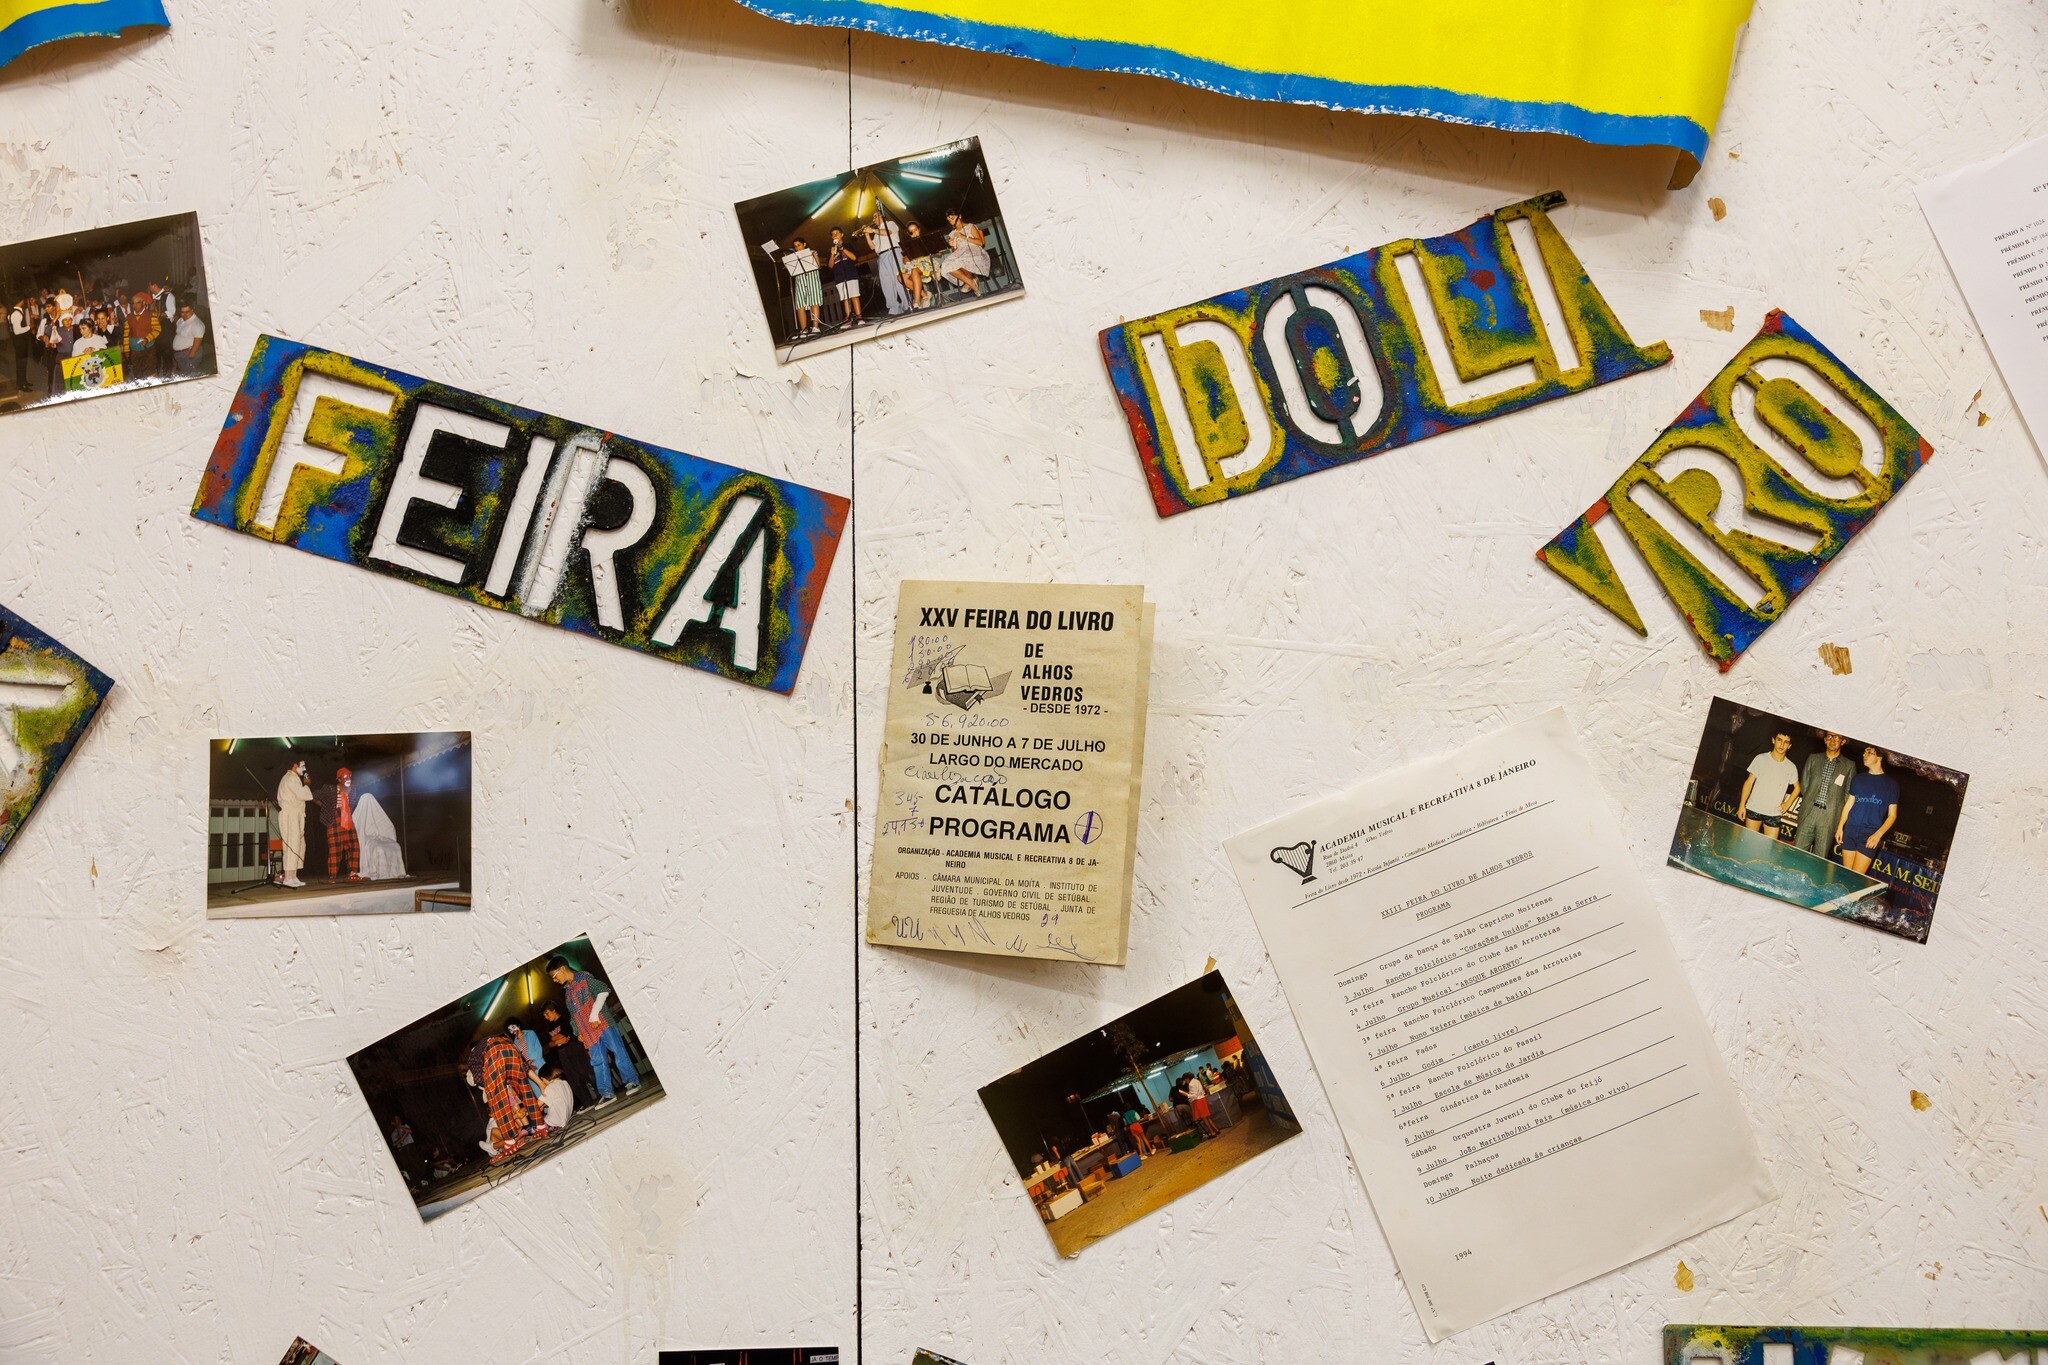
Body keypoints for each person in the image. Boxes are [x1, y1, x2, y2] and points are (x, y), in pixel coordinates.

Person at [547, 955, 641, 1106]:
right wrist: (578, 1032)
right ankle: (607, 1094)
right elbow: (574, 1015)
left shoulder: (584, 978)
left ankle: (632, 1081)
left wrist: (594, 1015)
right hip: (588, 1033)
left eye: (554, 976)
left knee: (618, 1051)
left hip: (603, 1024)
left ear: (562, 969)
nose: (554, 980)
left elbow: (603, 990)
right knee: (597, 1062)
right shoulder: (567, 993)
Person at [465, 1026, 550, 1161]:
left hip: (493, 1055)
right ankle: (540, 1127)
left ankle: (510, 1143)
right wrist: (540, 1083)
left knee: (499, 1101)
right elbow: (524, 1067)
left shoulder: (473, 1058)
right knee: (524, 1086)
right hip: (509, 1044)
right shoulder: (492, 1042)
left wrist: (499, 1085)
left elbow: (479, 1080)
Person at [1793, 731, 1858, 859]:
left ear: (1843, 741)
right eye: (1829, 736)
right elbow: (1805, 785)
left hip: (1829, 818)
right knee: (1797, 853)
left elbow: (1847, 795)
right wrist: (1810, 801)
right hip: (1809, 813)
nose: (1832, 740)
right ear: (1825, 740)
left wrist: (1836, 814)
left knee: (1820, 858)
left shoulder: (1849, 765)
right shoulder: (1813, 758)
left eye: (1837, 737)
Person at [1836, 746, 1900, 876]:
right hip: (1850, 830)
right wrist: (1840, 827)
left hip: (1870, 834)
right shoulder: (1858, 779)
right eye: (1864, 752)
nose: (1864, 755)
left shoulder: (1891, 785)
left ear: (1880, 757)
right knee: (1846, 875)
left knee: (1856, 877)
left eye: (1869, 752)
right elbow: (1849, 804)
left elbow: (1892, 815)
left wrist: (1878, 835)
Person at [1739, 729, 1800, 839]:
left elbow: (1797, 788)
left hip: (1774, 813)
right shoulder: (1760, 758)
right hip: (1754, 808)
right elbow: (1749, 782)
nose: (1782, 745)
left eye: (1786, 742)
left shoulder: (1791, 767)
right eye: (1779, 740)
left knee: (1769, 846)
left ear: (1789, 746)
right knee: (1749, 843)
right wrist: (1742, 805)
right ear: (1773, 740)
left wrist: (1787, 803)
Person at [541, 1002, 598, 1106]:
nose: (546, 1017)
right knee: (574, 1079)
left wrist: (555, 1038)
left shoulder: (565, 1019)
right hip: (562, 1053)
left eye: (547, 1013)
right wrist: (556, 1040)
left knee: (587, 1072)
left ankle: (601, 1094)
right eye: (544, 1015)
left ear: (553, 1010)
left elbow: (565, 1035)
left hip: (574, 1048)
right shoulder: (549, 1027)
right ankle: (587, 1103)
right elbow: (550, 1044)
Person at [861, 209, 910, 316]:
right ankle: (894, 308)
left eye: (875, 216)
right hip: (881, 256)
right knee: (886, 283)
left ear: (882, 216)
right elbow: (872, 247)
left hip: (893, 252)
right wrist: (867, 235)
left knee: (899, 279)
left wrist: (872, 230)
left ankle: (907, 304)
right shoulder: (877, 232)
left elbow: (888, 232)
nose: (873, 219)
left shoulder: (890, 224)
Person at [352, 784, 407, 879]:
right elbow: (358, 831)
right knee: (378, 848)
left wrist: (383, 836)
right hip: (369, 840)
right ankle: (379, 871)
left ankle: (394, 871)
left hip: (381, 837)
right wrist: (367, 837)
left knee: (395, 846)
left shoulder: (378, 813)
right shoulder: (359, 816)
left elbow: (388, 826)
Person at [276, 760, 313, 887]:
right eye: (303, 766)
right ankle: (288, 878)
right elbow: (303, 795)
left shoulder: (294, 778)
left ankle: (293, 876)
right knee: (292, 845)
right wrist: (306, 784)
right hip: (290, 815)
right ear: (295, 766)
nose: (304, 769)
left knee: (299, 845)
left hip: (296, 815)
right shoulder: (290, 778)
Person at [940, 210, 992, 296]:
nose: (951, 221)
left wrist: (963, 236)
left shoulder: (970, 226)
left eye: (953, 218)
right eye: (949, 220)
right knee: (945, 265)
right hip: (960, 253)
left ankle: (969, 282)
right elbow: (955, 252)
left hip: (973, 250)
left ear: (960, 216)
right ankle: (970, 282)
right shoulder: (952, 234)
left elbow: (980, 242)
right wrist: (953, 246)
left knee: (962, 259)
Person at [326, 767, 361, 881]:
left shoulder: (352, 790)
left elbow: (352, 804)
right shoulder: (332, 791)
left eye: (350, 776)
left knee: (354, 845)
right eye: (345, 776)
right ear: (339, 779)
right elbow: (319, 799)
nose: (348, 778)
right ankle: (332, 875)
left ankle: (352, 872)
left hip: (347, 819)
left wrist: (347, 813)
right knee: (335, 848)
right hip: (335, 820)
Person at [787, 235, 824, 337]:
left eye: (799, 245)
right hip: (800, 280)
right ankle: (804, 330)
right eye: (795, 246)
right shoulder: (794, 257)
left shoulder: (812, 252)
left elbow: (818, 265)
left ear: (804, 244)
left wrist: (814, 256)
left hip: (812, 279)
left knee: (814, 301)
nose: (797, 248)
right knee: (800, 304)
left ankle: (815, 327)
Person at [826, 228, 864, 328]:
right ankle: (849, 319)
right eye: (833, 234)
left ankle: (859, 317)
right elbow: (830, 266)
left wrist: (842, 248)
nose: (835, 235)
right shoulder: (831, 250)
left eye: (837, 233)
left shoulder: (848, 245)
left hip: (850, 274)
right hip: (839, 277)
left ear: (842, 234)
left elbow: (854, 258)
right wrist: (832, 254)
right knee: (845, 298)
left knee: (854, 296)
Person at [125, 289, 161, 380]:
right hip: (135, 351)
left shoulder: (151, 314)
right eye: (133, 303)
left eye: (138, 303)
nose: (135, 305)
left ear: (143, 303)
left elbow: (157, 329)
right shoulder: (129, 317)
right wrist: (126, 350)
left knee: (151, 372)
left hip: (149, 349)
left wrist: (147, 339)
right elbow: (126, 335)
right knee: (137, 374)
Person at [899, 222, 937, 309]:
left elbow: (938, 253)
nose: (914, 233)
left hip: (927, 263)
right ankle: (924, 294)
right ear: (909, 234)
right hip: (914, 264)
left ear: (919, 229)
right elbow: (904, 260)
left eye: (915, 230)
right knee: (901, 277)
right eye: (911, 232)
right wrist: (906, 259)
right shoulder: (907, 244)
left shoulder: (926, 240)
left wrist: (933, 250)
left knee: (914, 270)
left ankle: (917, 302)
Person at [507, 1020, 547, 1102]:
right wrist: (527, 1066)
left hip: (539, 1065)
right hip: (528, 1071)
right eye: (510, 1030)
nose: (513, 1030)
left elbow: (538, 1047)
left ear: (518, 1025)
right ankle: (547, 1108)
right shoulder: (514, 1044)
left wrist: (532, 1061)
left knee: (548, 1086)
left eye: (513, 1027)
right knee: (539, 1093)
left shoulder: (530, 1033)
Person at [171, 302, 205, 374]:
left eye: (187, 312)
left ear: (192, 310)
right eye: (182, 312)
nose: (184, 314)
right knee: (184, 374)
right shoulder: (181, 320)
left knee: (191, 375)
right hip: (180, 354)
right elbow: (178, 324)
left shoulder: (197, 324)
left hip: (189, 354)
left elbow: (198, 341)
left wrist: (191, 354)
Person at [539, 1062, 575, 1129]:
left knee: (527, 1129)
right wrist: (544, 1105)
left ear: (543, 1078)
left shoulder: (550, 1088)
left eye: (542, 1080)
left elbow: (536, 1106)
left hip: (551, 1123)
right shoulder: (565, 1083)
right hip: (564, 1121)